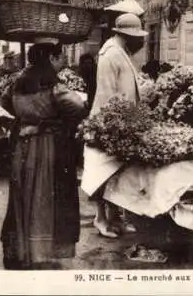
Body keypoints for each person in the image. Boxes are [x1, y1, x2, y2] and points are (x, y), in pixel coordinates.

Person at [0, 41, 87, 270]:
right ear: (50, 58)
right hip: (46, 145)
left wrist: (26, 117)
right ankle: (40, 254)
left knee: (22, 195)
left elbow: (5, 102)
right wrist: (51, 119)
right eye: (59, 57)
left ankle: (20, 252)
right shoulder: (53, 85)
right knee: (43, 195)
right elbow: (77, 106)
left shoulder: (17, 82)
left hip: (21, 145)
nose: (62, 62)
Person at [84, 13, 148, 239]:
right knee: (102, 174)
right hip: (109, 124)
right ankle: (100, 218)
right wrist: (111, 127)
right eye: (137, 37)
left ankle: (115, 217)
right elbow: (106, 93)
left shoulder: (121, 52)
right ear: (126, 35)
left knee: (118, 174)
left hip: (123, 122)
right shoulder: (110, 54)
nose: (140, 42)